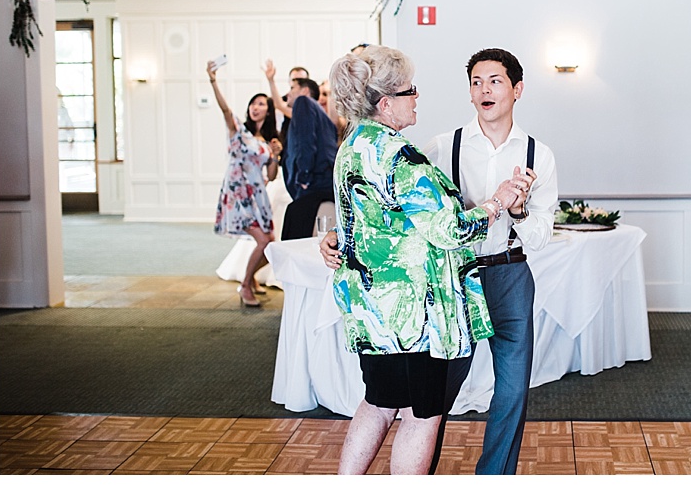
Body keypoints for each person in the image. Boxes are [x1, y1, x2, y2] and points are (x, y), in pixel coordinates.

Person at [326, 45, 528, 475]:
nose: (417, 98)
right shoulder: (400, 157)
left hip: (372, 310)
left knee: (378, 404)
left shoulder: (353, 146)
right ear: (385, 103)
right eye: (409, 91)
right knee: (422, 414)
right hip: (416, 315)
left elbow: (355, 225)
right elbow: (450, 231)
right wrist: (497, 203)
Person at [424, 48, 559, 475]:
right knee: (440, 389)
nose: (485, 90)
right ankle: (421, 469)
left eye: (495, 81)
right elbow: (418, 216)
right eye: (477, 82)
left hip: (511, 274)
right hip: (458, 278)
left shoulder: (540, 154)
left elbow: (540, 235)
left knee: (513, 391)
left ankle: (495, 476)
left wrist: (518, 210)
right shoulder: (443, 147)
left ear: (517, 90)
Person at [206, 60, 282, 307]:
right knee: (262, 240)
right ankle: (246, 284)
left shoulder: (267, 139)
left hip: (258, 192)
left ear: (268, 110)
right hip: (239, 192)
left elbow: (270, 174)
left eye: (261, 103)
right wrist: (213, 80)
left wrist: (276, 155)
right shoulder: (239, 130)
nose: (255, 107)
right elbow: (226, 111)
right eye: (253, 103)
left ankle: (251, 280)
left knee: (270, 241)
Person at [265, 62, 338, 240]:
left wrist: (303, 177)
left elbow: (306, 143)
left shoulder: (303, 103)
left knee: (298, 241)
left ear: (305, 91)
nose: (288, 93)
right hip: (323, 184)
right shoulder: (324, 118)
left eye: (292, 88)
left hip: (312, 185)